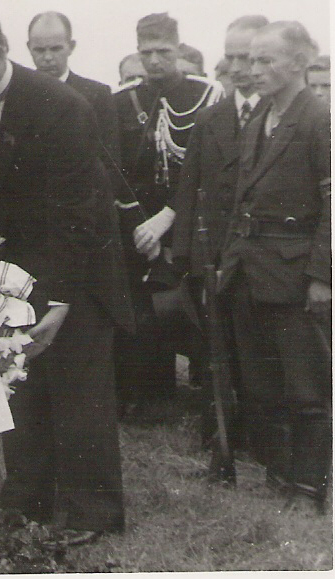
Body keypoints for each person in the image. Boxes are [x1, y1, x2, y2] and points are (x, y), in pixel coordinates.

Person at [0, 5, 130, 545]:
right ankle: (24, 503)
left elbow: (79, 212)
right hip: (19, 271)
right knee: (20, 388)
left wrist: (60, 299)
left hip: (80, 271)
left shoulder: (61, 106)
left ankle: (92, 514)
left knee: (79, 395)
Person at [216, 21, 331, 515]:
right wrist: (227, 264)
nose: (253, 69)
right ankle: (279, 471)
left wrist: (323, 277)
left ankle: (308, 487)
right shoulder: (260, 115)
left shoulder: (319, 119)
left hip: (295, 274)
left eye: (266, 60)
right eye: (250, 59)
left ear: (300, 63)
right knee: (262, 383)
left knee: (307, 385)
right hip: (249, 269)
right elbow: (241, 199)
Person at [171, 15, 270, 479]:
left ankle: (264, 437)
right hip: (213, 257)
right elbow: (189, 189)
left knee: (260, 349)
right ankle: (219, 431)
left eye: (249, 57)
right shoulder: (211, 118)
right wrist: (185, 256)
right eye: (231, 57)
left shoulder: (281, 118)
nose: (240, 68)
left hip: (262, 258)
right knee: (217, 346)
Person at [113, 13, 222, 421]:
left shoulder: (206, 94)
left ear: (178, 48)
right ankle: (151, 394)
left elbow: (208, 167)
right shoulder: (122, 100)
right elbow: (118, 172)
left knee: (197, 306)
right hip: (139, 224)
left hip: (190, 219)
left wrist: (169, 218)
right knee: (144, 307)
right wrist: (142, 225)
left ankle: (210, 394)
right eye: (146, 53)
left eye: (163, 51)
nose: (155, 60)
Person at [26, 12, 121, 181]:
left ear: (71, 47)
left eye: (56, 49)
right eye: (39, 50)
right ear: (29, 48)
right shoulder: (18, 94)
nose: (47, 57)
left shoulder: (97, 95)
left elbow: (110, 164)